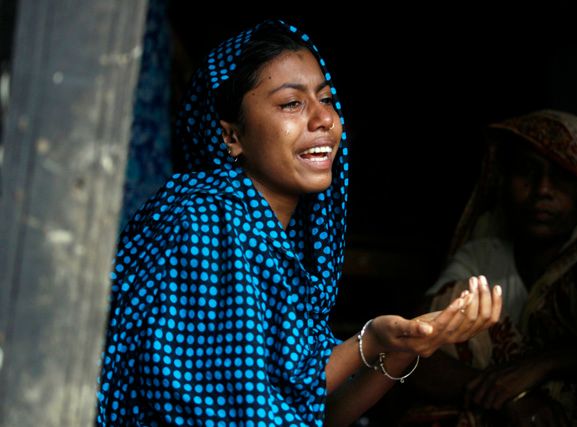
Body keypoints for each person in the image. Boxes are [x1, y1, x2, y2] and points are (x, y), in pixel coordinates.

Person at [95, 20, 502, 427]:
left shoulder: (271, 238)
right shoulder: (205, 222)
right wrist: (370, 338)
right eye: (292, 103)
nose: (324, 118)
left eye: (325, 99)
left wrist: (400, 345)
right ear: (230, 137)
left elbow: (316, 412)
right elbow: (245, 413)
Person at [397, 110, 577, 427]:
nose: (542, 190)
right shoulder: (484, 256)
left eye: (562, 177)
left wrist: (548, 363)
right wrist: (512, 396)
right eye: (527, 172)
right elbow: (411, 355)